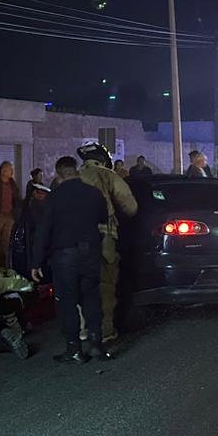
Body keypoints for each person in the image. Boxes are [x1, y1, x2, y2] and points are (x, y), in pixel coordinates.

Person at [32, 156, 112, 363]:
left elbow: (44, 230)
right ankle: (97, 346)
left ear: (59, 174)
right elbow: (103, 217)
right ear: (76, 170)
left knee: (67, 302)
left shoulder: (55, 197)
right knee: (91, 298)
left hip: (64, 255)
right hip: (90, 252)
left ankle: (74, 349)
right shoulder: (93, 193)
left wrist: (36, 262)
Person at [77, 142, 138, 343]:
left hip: (73, 239)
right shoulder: (108, 175)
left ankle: (82, 328)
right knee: (105, 283)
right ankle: (105, 330)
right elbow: (131, 207)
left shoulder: (70, 176)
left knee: (79, 282)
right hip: (104, 237)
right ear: (104, 159)